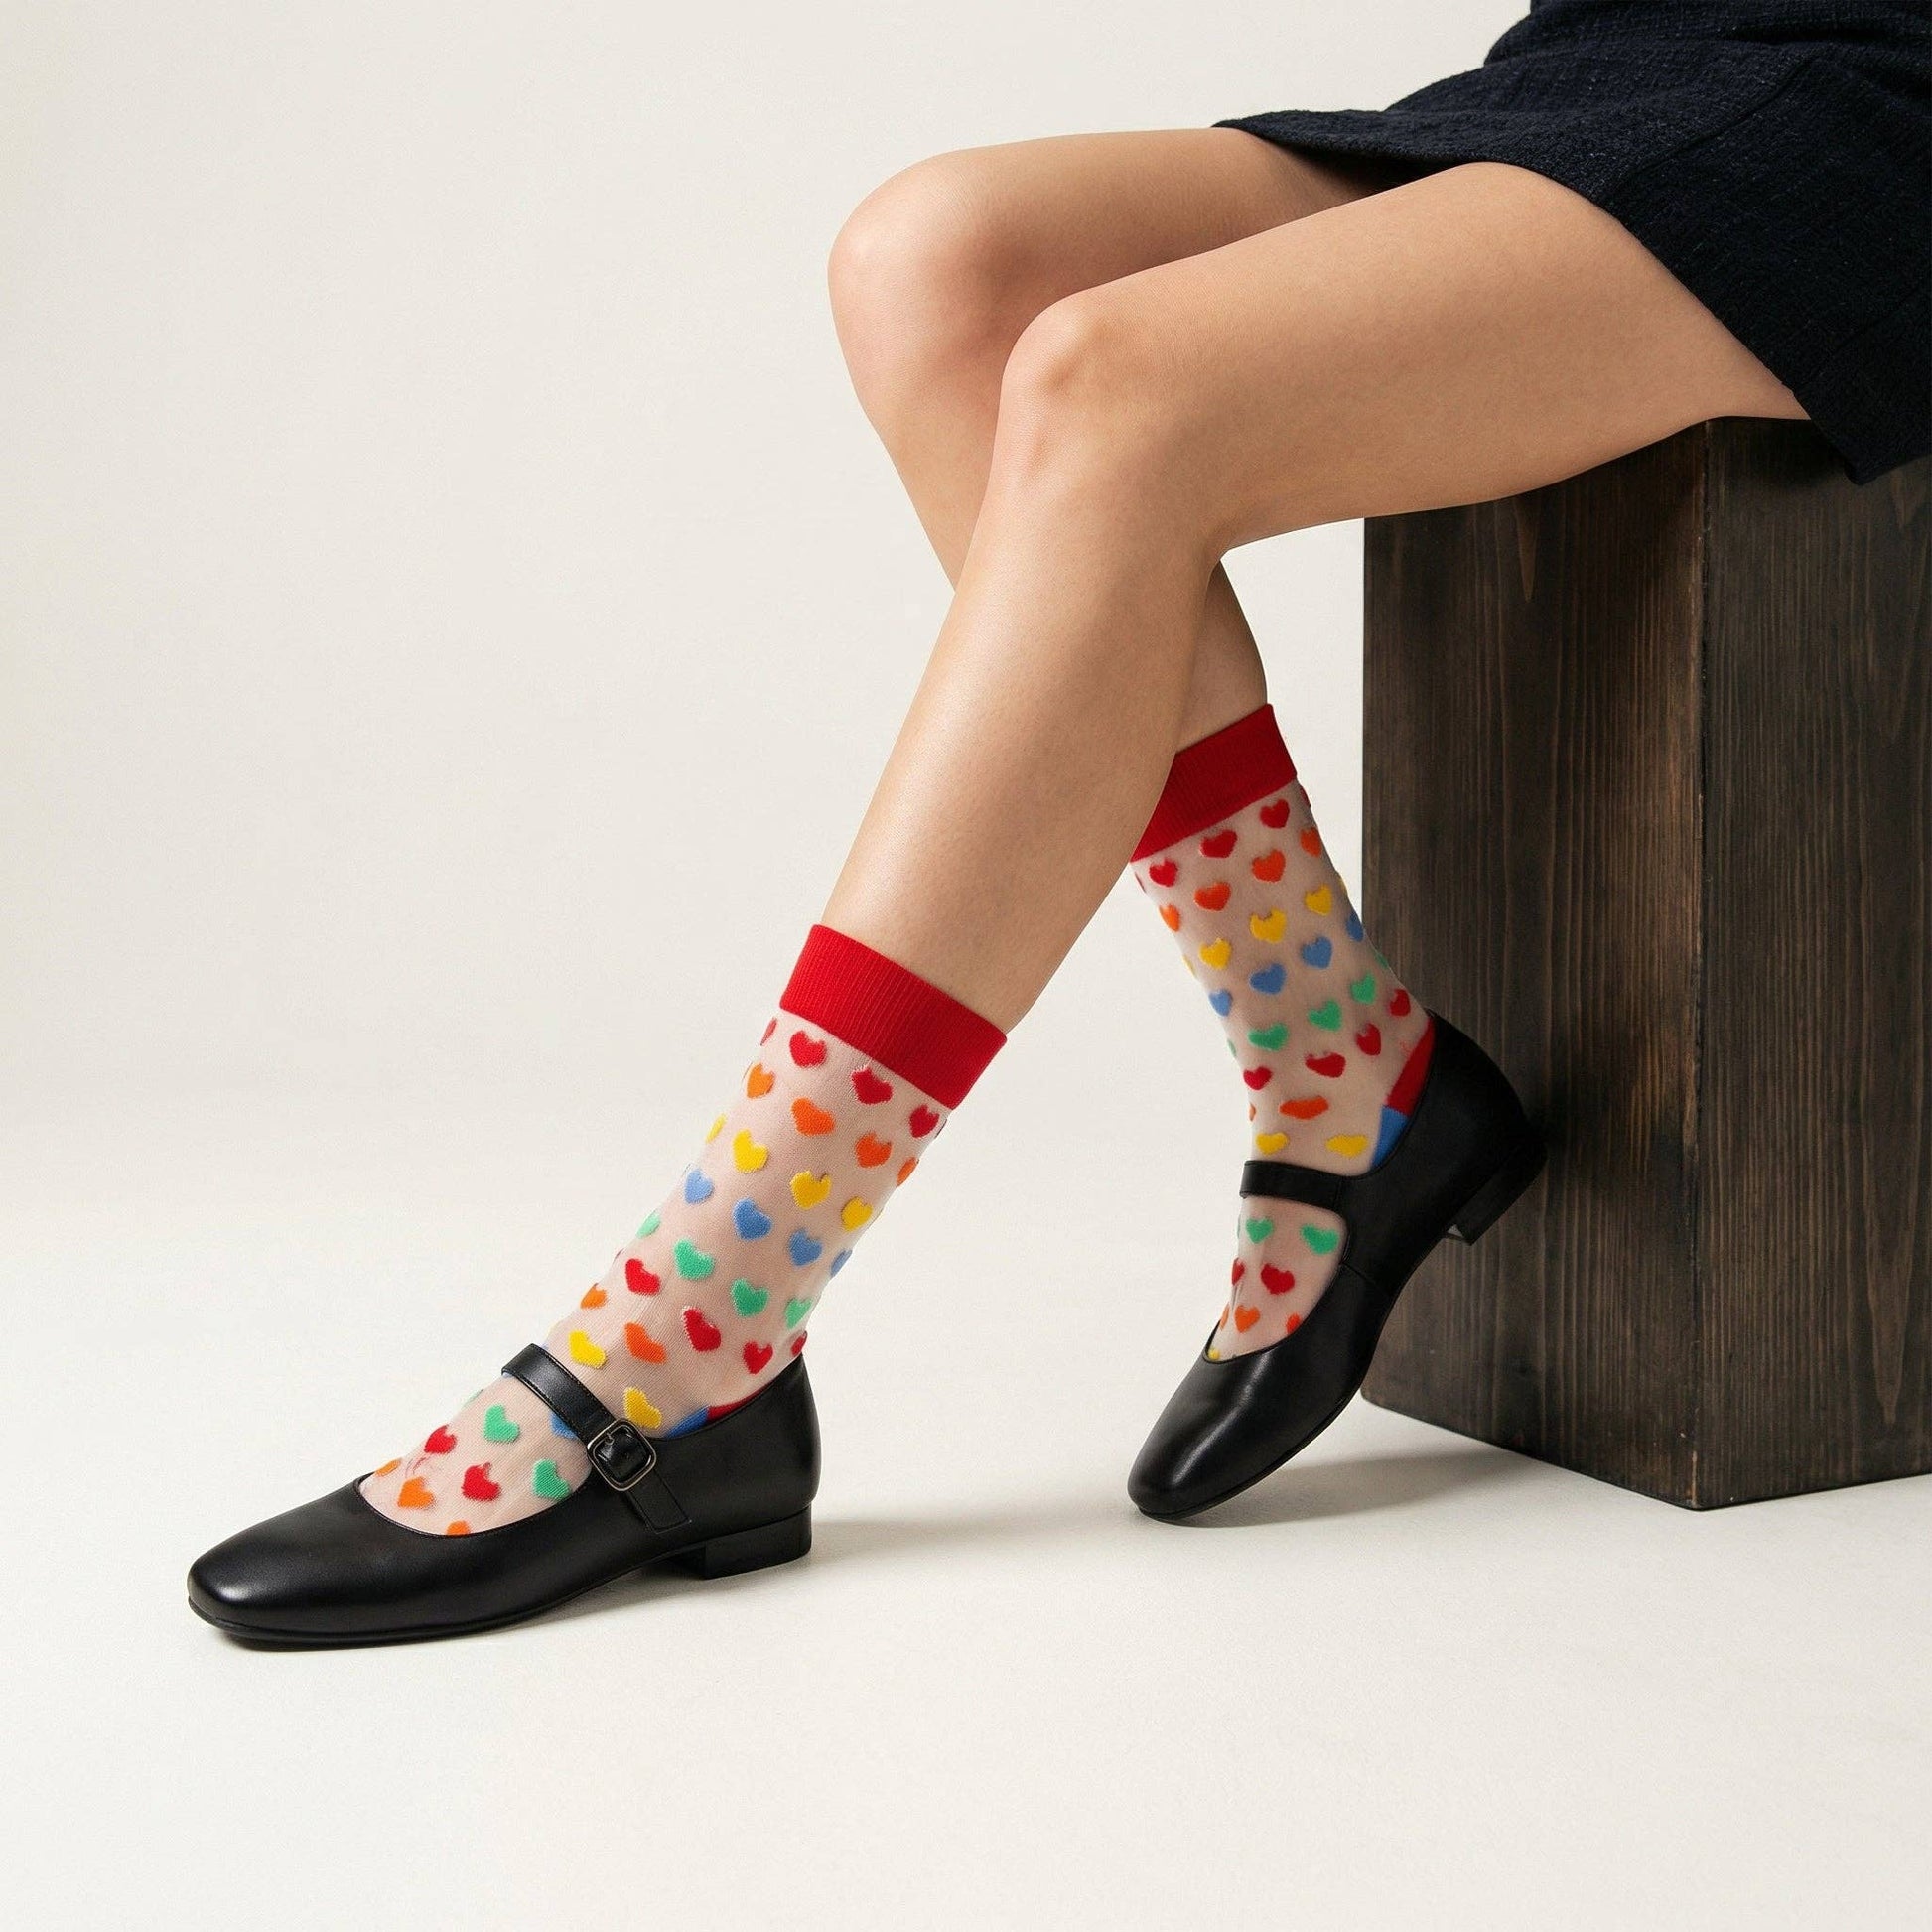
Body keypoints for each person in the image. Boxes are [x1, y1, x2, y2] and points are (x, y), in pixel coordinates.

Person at [189, 0, 1930, 1644]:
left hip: (1874, 103)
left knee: (1118, 379)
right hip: (1633, 52)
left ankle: (693, 1339)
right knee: (936, 265)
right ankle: (1339, 1065)